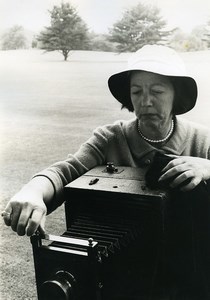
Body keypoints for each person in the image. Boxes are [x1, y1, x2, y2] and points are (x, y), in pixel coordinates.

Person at [2, 44, 210, 237]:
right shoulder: (110, 138)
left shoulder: (202, 140)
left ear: (177, 94)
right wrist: (33, 191)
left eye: (157, 91)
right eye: (136, 91)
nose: (145, 101)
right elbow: (64, 172)